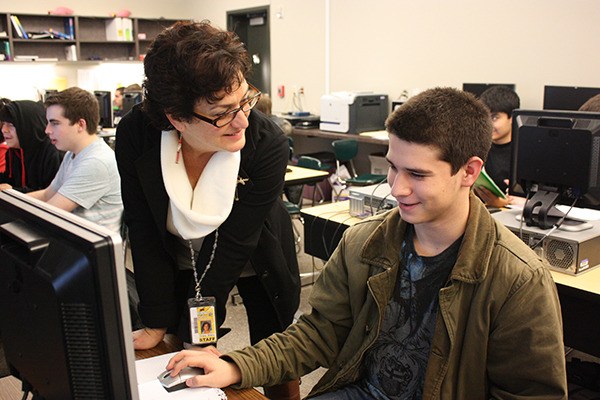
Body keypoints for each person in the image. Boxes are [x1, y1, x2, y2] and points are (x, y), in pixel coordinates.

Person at [164, 87, 568, 399]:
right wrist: (236, 364)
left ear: (469, 171)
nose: (398, 188)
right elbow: (319, 333)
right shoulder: (363, 243)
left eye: (418, 174)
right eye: (392, 168)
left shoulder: (517, 279)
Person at [114, 20, 301, 399]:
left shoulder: (266, 145)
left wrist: (200, 332)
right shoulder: (137, 135)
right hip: (180, 258)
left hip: (253, 253)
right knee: (169, 350)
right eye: (222, 112)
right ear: (175, 117)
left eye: (245, 101)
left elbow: (234, 247)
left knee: (275, 356)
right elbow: (144, 230)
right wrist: (155, 318)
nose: (242, 121)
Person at [25, 87, 123, 233]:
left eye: (55, 123)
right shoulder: (73, 154)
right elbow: (47, 195)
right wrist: (9, 199)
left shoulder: (96, 162)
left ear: (80, 125)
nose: (47, 130)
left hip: (89, 251)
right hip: (72, 240)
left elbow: (50, 212)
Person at [0, 100, 63, 192]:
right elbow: (9, 180)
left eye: (11, 125)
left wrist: (14, 191)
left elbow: (51, 194)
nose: (4, 130)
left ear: (28, 126)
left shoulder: (52, 153)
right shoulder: (14, 151)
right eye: (3, 124)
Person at [474, 85, 520, 208]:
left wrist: (501, 204)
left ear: (512, 117)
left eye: (494, 117)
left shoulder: (524, 151)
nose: (489, 124)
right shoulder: (479, 147)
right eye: (485, 117)